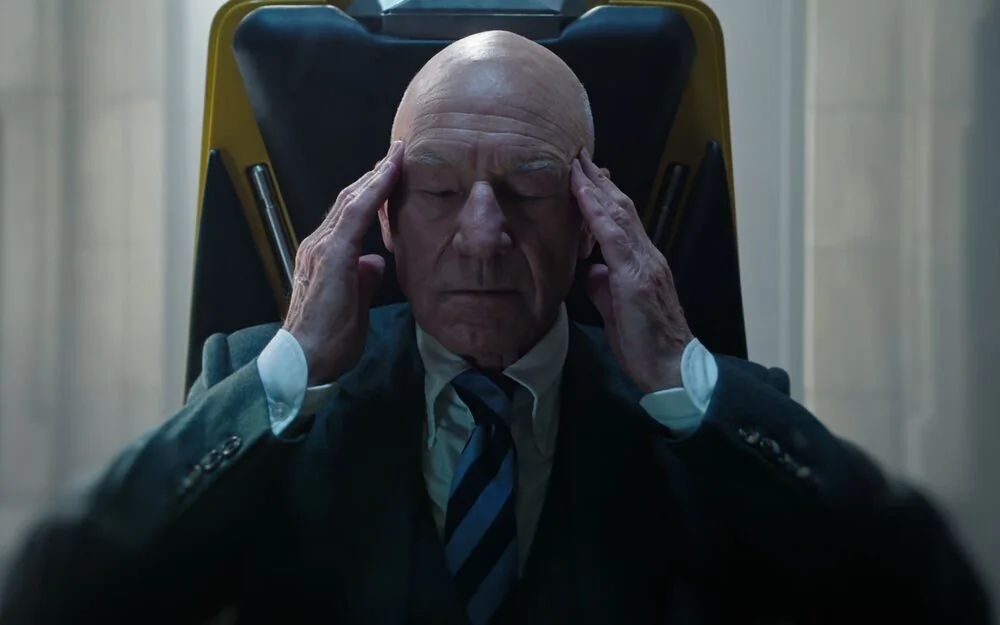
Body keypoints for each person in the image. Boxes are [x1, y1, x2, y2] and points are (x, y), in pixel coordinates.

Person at [0, 30, 989, 625]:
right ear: (385, 217)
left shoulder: (710, 412)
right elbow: (55, 593)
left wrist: (687, 387)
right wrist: (290, 369)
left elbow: (931, 596)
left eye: (530, 186)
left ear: (594, 217)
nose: (481, 236)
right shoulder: (263, 387)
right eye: (437, 189)